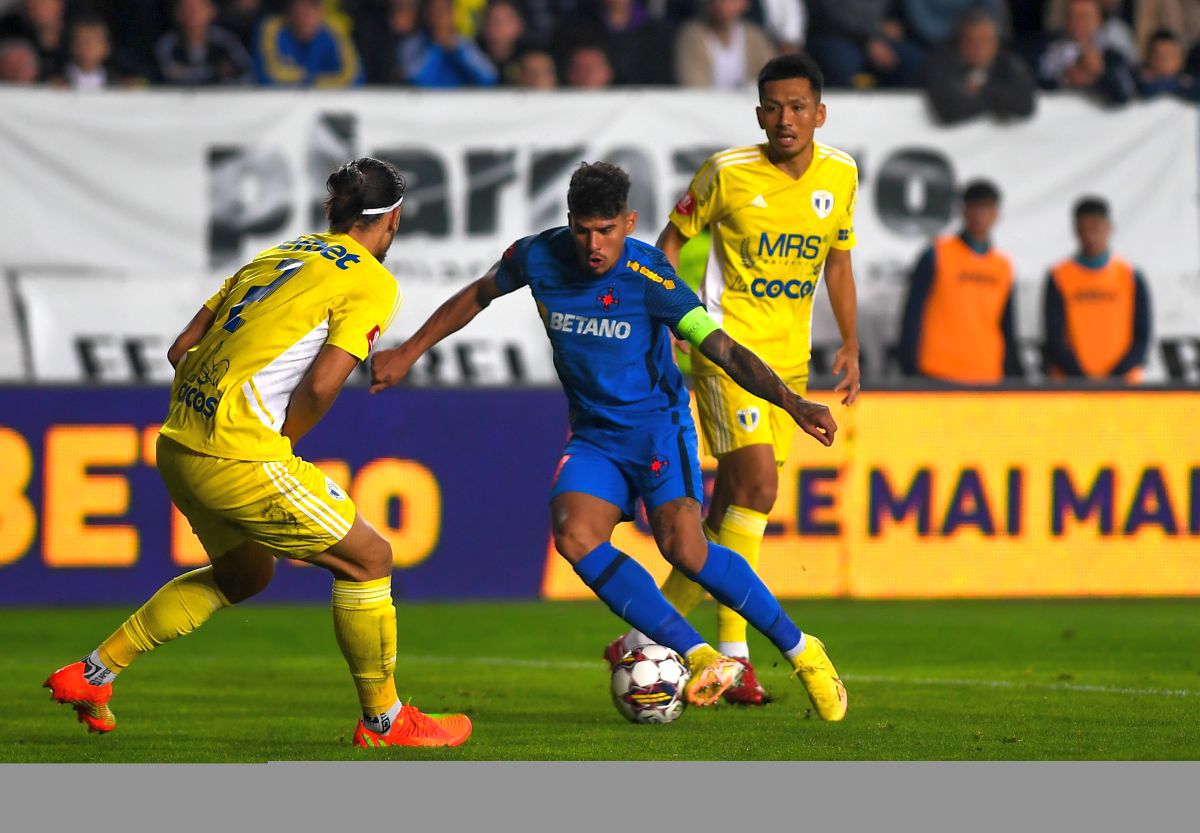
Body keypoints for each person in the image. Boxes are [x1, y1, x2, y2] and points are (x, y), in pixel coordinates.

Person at [369, 161, 849, 721]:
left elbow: (721, 348)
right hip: (596, 436)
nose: (593, 245)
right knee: (574, 534)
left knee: (686, 551)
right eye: (582, 229)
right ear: (569, 222)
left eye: (606, 230)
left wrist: (792, 402)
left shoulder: (652, 277)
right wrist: (409, 350)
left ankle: (803, 650)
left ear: (629, 222)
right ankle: (697, 655)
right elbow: (478, 295)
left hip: (657, 431)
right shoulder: (537, 256)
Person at [44, 158, 472, 750]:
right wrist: (276, 440)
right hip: (237, 455)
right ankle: (384, 720)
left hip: (178, 441)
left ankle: (94, 673)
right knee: (370, 557)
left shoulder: (284, 252)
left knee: (244, 575)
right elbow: (324, 384)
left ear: (334, 212)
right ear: (393, 218)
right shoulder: (372, 282)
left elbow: (180, 347)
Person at [607, 52, 861, 706]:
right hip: (727, 348)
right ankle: (735, 655)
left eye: (798, 107)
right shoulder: (726, 172)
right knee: (758, 484)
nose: (786, 119)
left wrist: (853, 343)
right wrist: (662, 316)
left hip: (793, 363)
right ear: (759, 114)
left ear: (819, 113)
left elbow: (837, 261)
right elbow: (670, 238)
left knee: (724, 516)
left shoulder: (842, 174)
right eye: (773, 107)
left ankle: (641, 637)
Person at [898, 179, 1023, 384]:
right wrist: (910, 367)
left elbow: (1008, 326)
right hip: (937, 372)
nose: (980, 216)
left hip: (987, 375)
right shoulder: (937, 253)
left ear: (996, 214)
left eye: (986, 208)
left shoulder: (1003, 266)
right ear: (963, 211)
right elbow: (912, 314)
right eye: (975, 207)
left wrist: (1012, 374)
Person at [1043, 196, 1151, 382]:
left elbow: (1142, 337)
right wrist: (1082, 380)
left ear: (1109, 227)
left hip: (1123, 386)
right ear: (1076, 231)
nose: (1090, 236)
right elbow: (1054, 338)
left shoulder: (1131, 276)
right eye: (1084, 229)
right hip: (1072, 386)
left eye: (1095, 228)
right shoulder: (1059, 276)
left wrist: (1114, 378)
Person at [922, 8, 1037, 125]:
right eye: (971, 41)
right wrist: (999, 100)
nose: (978, 48)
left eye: (985, 40)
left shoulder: (1007, 62)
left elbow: (1025, 104)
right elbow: (948, 110)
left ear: (996, 42)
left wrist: (982, 88)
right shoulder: (942, 61)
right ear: (960, 41)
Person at [1038, 0, 1136, 105]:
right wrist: (1065, 78)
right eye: (1070, 16)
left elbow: (1126, 86)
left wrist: (1099, 73)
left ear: (1098, 19)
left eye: (1083, 17)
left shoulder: (1113, 43)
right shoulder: (1052, 46)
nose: (1076, 23)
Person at [256, 0, 364, 87]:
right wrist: (317, 80)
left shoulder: (334, 33)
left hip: (324, 102)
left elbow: (355, 77)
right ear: (289, 12)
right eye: (298, 12)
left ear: (320, 12)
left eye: (308, 12)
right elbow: (266, 76)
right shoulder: (273, 29)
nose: (302, 19)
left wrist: (310, 80)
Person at [674, 0, 776, 88]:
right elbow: (692, 85)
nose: (724, 5)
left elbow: (772, 76)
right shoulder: (692, 36)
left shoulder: (755, 37)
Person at [400, 0, 499, 87]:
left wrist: (457, 50)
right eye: (436, 11)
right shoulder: (413, 43)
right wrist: (436, 47)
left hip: (459, 104)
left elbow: (489, 78)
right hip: (421, 104)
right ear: (427, 14)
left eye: (446, 11)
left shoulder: (463, 43)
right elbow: (415, 79)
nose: (441, 17)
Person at [155, 0, 255, 86]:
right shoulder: (168, 45)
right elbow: (166, 77)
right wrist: (216, 73)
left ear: (211, 11)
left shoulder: (225, 43)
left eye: (196, 10)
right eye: (185, 9)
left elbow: (249, 74)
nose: (191, 15)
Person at [1137, 28, 1199, 99]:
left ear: (1181, 58)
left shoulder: (1191, 78)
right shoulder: (1139, 81)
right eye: (1161, 57)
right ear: (1149, 58)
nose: (1167, 62)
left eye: (1172, 56)